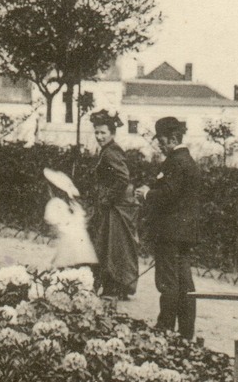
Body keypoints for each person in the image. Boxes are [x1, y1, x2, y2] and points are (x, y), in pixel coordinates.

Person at [135, 116, 200, 340]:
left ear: (173, 138)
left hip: (169, 232)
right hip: (184, 232)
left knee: (168, 281)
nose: (160, 145)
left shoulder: (176, 161)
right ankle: (185, 332)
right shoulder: (187, 160)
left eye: (162, 140)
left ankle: (165, 327)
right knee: (185, 283)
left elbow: (168, 194)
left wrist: (146, 194)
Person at [88, 110, 139, 299]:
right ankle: (116, 287)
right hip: (113, 205)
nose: (99, 137)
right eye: (97, 133)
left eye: (103, 133)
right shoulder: (107, 151)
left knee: (113, 246)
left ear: (112, 133)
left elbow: (123, 178)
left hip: (116, 207)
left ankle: (116, 288)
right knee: (110, 246)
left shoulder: (112, 151)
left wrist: (107, 198)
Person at [43, 168, 98, 270]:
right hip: (84, 250)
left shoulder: (55, 203)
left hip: (68, 248)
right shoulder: (75, 206)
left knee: (61, 273)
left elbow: (54, 229)